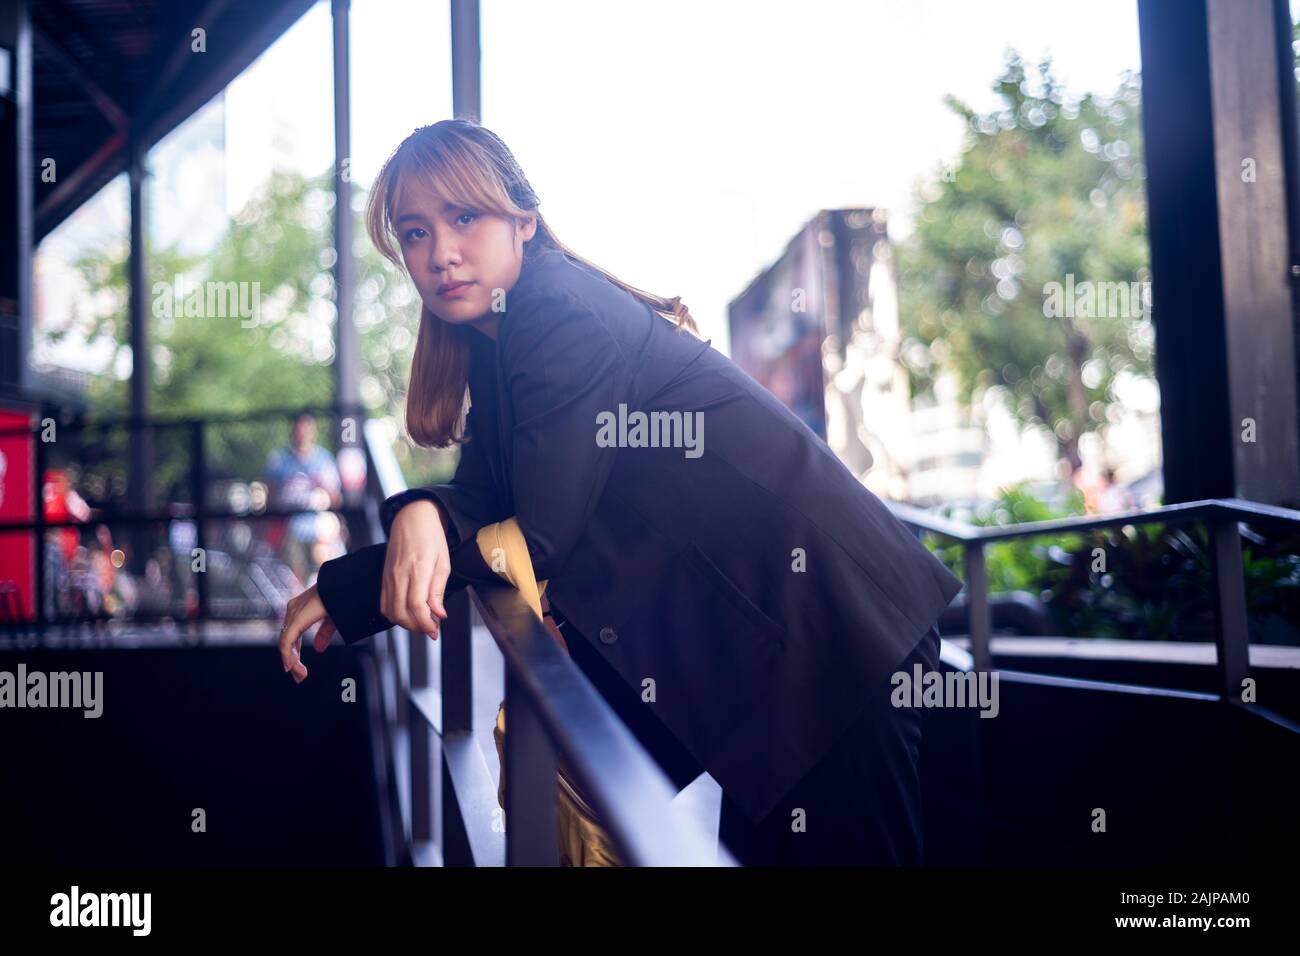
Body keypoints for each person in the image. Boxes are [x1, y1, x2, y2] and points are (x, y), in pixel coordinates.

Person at [276, 119, 963, 866]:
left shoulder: (556, 312)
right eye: (414, 232)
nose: (439, 253)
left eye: (463, 217)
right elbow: (482, 493)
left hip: (833, 634)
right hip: (778, 646)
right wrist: (414, 513)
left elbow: (537, 538)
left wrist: (365, 586)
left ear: (524, 220)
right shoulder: (503, 344)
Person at [265, 413, 343, 585]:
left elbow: (336, 497)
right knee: (294, 575)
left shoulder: (324, 460)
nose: (302, 432)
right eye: (299, 428)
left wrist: (321, 486)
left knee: (323, 568)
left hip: (318, 524)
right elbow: (269, 496)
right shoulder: (279, 460)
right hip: (289, 526)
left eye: (306, 428)